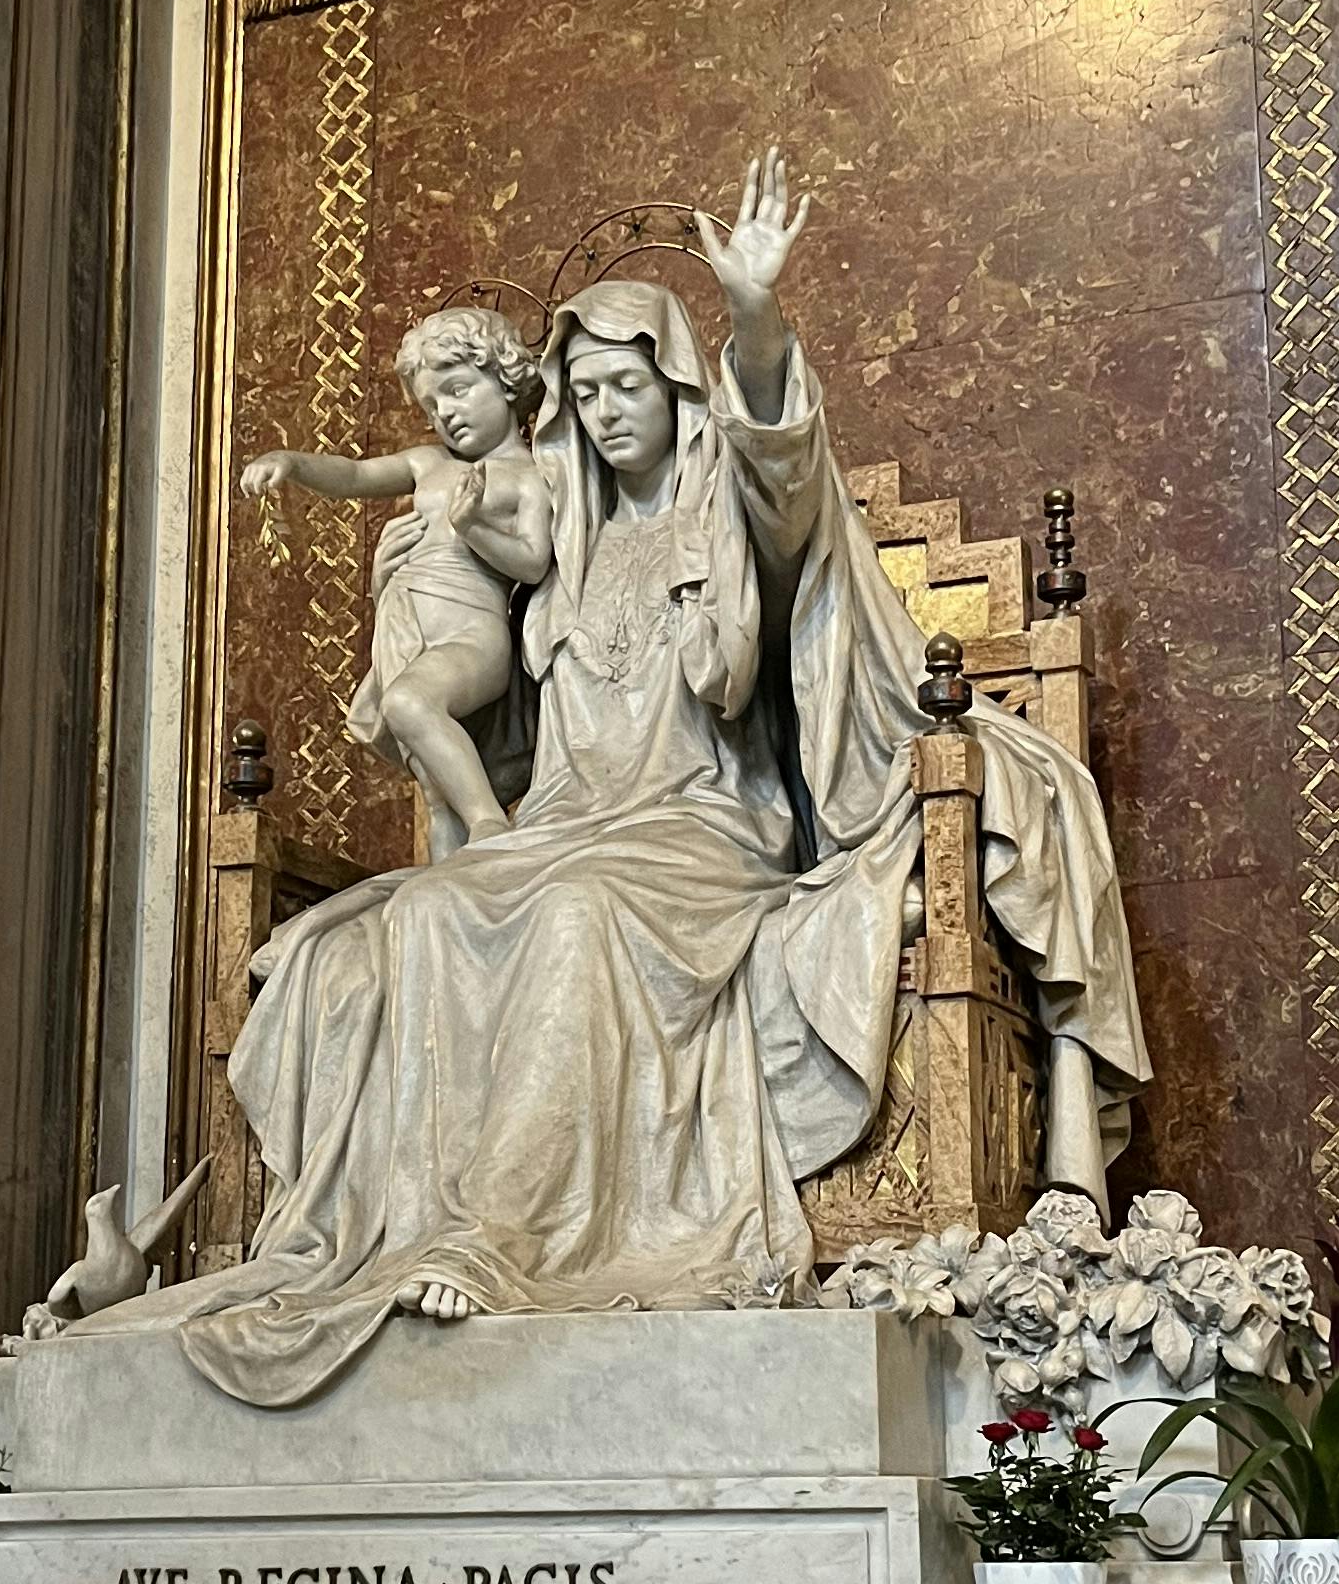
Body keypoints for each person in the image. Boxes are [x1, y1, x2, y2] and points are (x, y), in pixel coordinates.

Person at [155, 153, 1147, 1405]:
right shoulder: (556, 536)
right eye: (586, 392)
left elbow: (787, 467)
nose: (609, 409)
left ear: (677, 390)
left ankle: (500, 1234)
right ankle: (393, 1230)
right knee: (424, 914)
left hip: (701, 831)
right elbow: (445, 571)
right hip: (563, 823)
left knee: (578, 916)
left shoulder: (731, 521)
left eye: (629, 385)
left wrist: (756, 315)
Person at [240, 304, 553, 852]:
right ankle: (449, 884)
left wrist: (472, 527)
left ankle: (491, 827)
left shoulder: (529, 476)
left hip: (472, 635)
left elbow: (533, 562)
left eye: (457, 390)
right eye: (431, 405)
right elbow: (355, 475)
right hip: (406, 635)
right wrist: (292, 461)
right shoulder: (429, 463)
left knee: (409, 703)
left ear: (506, 381)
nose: (444, 413)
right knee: (436, 791)